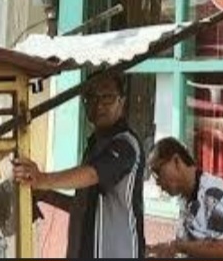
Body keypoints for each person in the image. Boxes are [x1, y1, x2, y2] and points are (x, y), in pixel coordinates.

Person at [12, 71, 145, 259]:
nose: (98, 105)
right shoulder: (94, 145)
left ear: (122, 102)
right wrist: (46, 194)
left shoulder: (125, 144)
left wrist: (42, 179)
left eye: (107, 98)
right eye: (91, 97)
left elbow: (92, 175)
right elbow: (84, 206)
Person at [146, 137, 223, 259]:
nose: (157, 182)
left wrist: (178, 247)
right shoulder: (186, 197)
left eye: (157, 172)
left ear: (176, 161)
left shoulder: (213, 192)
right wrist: (159, 250)